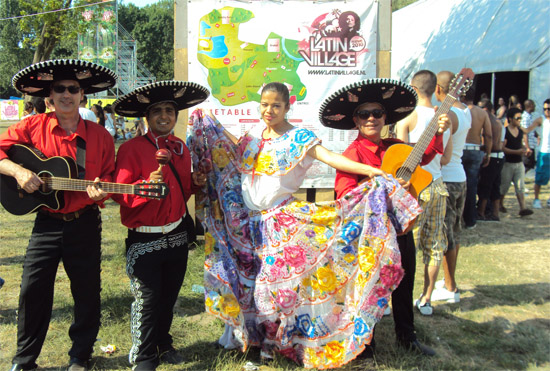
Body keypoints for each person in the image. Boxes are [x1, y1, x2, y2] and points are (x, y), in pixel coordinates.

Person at [188, 81, 423, 369]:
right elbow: (235, 151)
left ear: (288, 106)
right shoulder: (252, 136)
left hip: (279, 223)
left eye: (276, 105)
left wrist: (372, 171)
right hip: (246, 225)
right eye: (264, 104)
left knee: (272, 290)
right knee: (246, 283)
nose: (269, 110)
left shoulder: (300, 138)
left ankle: (275, 344)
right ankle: (245, 338)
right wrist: (208, 122)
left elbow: (331, 158)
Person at [0, 59, 117, 371]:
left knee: (86, 291)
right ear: (50, 96)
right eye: (60, 89)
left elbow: (108, 178)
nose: (67, 94)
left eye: (73, 89)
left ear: (83, 95)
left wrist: (101, 191)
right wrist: (18, 171)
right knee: (32, 289)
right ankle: (24, 361)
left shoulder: (101, 136)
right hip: (47, 223)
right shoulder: (32, 126)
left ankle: (80, 356)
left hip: (85, 222)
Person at [333, 78, 448, 356]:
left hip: (402, 230)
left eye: (377, 113)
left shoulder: (395, 147)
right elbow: (345, 195)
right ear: (355, 120)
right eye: (364, 114)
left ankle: (407, 337)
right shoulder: (352, 155)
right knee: (368, 290)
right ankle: (365, 347)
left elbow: (425, 155)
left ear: (386, 118)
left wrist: (438, 131)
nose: (371, 118)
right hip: (372, 236)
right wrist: (386, 189)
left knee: (405, 283)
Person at [111, 81, 209, 371]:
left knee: (169, 297)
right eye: (157, 111)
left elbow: (182, 192)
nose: (164, 116)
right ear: (147, 117)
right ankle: (143, 357)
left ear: (176, 116)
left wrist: (194, 182)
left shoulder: (181, 148)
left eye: (170, 110)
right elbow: (119, 192)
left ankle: (164, 344)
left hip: (177, 236)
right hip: (145, 239)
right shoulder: (131, 149)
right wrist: (143, 187)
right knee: (148, 300)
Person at [395, 70, 452, 316]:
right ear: (435, 88)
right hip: (437, 184)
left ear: (413, 88)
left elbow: (399, 158)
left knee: (403, 245)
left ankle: (394, 299)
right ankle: (426, 298)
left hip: (413, 187)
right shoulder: (446, 119)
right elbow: (446, 158)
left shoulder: (408, 117)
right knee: (434, 243)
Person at [430, 70, 471, 304]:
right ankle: (449, 282)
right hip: (460, 175)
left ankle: (450, 285)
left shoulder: (447, 114)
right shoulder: (465, 111)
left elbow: (440, 148)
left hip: (446, 177)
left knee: (445, 235)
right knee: (454, 232)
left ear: (438, 89)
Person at [461, 87, 492, 229]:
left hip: (459, 149)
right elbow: (488, 135)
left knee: (457, 184)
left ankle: (458, 217)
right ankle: (470, 220)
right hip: (475, 149)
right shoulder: (481, 113)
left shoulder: (458, 111)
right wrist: (488, 153)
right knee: (472, 186)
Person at [499, 108, 534, 216]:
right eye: (517, 118)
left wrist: (525, 149)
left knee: (520, 186)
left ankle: (523, 208)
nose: (519, 120)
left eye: (520, 118)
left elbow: (520, 144)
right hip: (508, 164)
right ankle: (500, 204)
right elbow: (502, 148)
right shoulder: (505, 131)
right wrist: (516, 152)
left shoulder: (520, 131)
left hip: (519, 163)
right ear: (510, 119)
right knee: (504, 186)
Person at [477, 99, 505, 221]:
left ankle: (481, 213)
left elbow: (488, 138)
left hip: (492, 156)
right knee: (495, 185)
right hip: (499, 156)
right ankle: (495, 213)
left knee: (485, 186)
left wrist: (486, 152)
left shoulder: (487, 120)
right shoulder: (498, 121)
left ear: (485, 108)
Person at [522, 99, 550, 208]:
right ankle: (536, 199)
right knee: (539, 177)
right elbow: (528, 130)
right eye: (545, 109)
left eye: (549, 109)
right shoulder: (541, 119)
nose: (547, 111)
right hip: (544, 152)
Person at [520, 99, 539, 172]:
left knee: (531, 164)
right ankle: (516, 178)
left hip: (531, 144)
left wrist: (537, 135)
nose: (535, 106)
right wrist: (527, 147)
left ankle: (519, 178)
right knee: (526, 164)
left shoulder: (530, 116)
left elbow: (530, 129)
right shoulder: (525, 117)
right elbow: (524, 133)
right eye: (534, 105)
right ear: (530, 106)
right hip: (527, 145)